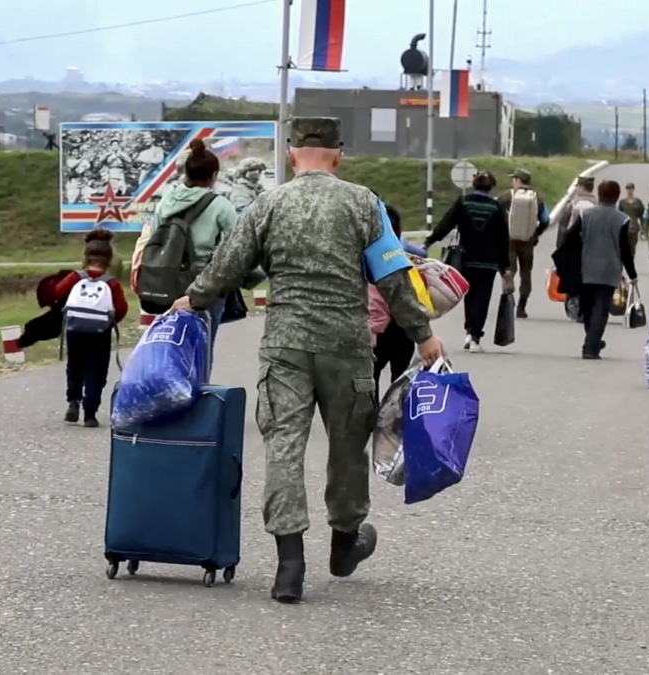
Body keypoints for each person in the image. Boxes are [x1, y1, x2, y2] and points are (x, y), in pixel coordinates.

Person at [171, 117, 445, 605]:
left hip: (286, 346)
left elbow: (227, 266)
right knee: (347, 449)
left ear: (292, 156)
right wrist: (423, 334)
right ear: (337, 155)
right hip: (348, 346)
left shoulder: (268, 204)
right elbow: (392, 273)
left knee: (284, 447)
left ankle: (289, 566)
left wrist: (192, 300)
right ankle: (344, 545)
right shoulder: (364, 203)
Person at [133, 138, 238, 375]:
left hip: (168, 283)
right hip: (204, 286)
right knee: (201, 349)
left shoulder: (166, 201)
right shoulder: (221, 206)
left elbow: (155, 239)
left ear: (186, 173)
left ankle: (169, 393)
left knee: (171, 346)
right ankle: (197, 400)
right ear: (213, 175)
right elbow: (234, 248)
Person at [424, 170, 511, 353]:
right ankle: (475, 337)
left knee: (469, 297)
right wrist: (505, 267)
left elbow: (446, 223)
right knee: (482, 297)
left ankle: (468, 331)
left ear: (474, 185)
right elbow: (503, 239)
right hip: (488, 262)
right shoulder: (496, 207)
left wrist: (429, 241)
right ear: (491, 187)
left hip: (466, 259)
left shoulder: (463, 202)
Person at [53, 228, 129, 427]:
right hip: (100, 334)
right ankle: (90, 414)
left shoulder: (75, 277)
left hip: (75, 330)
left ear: (85, 256)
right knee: (96, 371)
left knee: (75, 366)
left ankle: (73, 401)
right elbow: (121, 309)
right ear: (109, 259)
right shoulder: (111, 283)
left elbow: (57, 293)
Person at [554, 180, 639, 359]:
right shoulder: (622, 219)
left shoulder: (586, 214)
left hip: (586, 268)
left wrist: (573, 255)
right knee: (601, 309)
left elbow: (569, 235)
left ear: (599, 194)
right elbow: (625, 250)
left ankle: (591, 341)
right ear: (616, 197)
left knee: (588, 309)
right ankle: (591, 347)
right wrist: (632, 275)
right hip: (609, 270)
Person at [370, 201, 417, 395]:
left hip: (378, 330)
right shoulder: (402, 253)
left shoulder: (368, 256)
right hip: (403, 326)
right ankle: (396, 420)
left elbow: (373, 297)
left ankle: (374, 421)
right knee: (400, 382)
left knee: (371, 379)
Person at [498, 168, 551, 318]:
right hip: (528, 242)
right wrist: (536, 234)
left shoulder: (506, 197)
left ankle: (508, 298)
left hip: (509, 241)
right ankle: (522, 307)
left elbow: (495, 214)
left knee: (509, 272)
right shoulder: (537, 198)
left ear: (518, 180)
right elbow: (546, 220)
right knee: (526, 274)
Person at [551, 175, 597, 250]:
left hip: (573, 246)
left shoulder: (573, 205)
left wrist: (560, 248)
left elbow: (563, 226)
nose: (576, 188)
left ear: (581, 187)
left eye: (577, 186)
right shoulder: (597, 205)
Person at [617, 182, 645, 262]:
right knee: (624, 246)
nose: (629, 191)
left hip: (634, 227)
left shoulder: (638, 202)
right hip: (624, 227)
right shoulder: (622, 202)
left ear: (633, 189)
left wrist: (643, 228)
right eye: (628, 189)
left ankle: (630, 261)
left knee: (632, 247)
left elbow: (642, 216)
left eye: (631, 189)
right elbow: (618, 215)